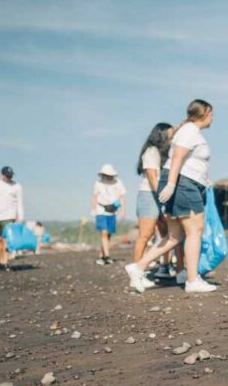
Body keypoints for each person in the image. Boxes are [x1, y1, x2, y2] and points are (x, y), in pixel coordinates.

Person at [125, 99, 218, 293]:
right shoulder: (190, 131)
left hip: (185, 182)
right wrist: (172, 184)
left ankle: (138, 267)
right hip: (184, 184)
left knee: (175, 236)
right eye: (211, 113)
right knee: (195, 231)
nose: (213, 117)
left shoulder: (189, 130)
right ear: (203, 114)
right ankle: (192, 280)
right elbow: (177, 157)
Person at [133, 122, 184, 278]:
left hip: (161, 195)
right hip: (149, 195)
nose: (172, 137)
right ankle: (137, 273)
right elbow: (152, 178)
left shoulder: (165, 152)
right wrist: (164, 199)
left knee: (168, 234)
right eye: (170, 134)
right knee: (145, 235)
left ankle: (167, 267)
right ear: (161, 134)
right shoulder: (151, 151)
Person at [0, 167, 24, 271]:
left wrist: (20, 217)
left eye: (10, 175)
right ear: (2, 175)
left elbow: (20, 202)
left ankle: (5, 262)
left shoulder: (17, 186)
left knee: (6, 240)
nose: (9, 177)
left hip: (9, 216)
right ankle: (1, 260)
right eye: (7, 175)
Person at [91, 164, 127, 266]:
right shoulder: (98, 183)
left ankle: (102, 254)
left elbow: (122, 197)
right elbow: (95, 197)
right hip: (101, 210)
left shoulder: (118, 183)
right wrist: (93, 209)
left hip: (112, 210)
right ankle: (107, 256)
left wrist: (123, 210)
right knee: (104, 232)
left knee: (109, 234)